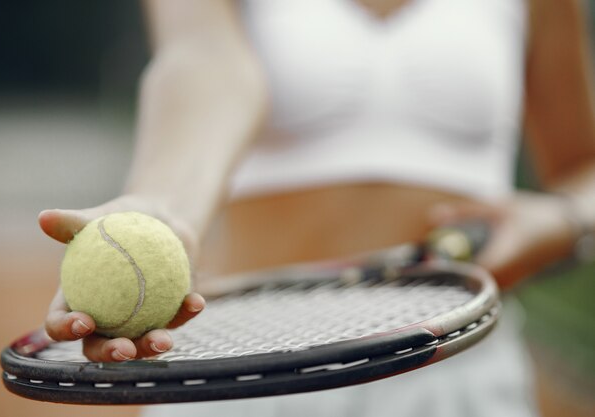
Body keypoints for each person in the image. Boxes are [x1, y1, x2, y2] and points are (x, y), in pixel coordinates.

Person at [39, 0, 595, 415]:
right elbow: (204, 65)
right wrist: (164, 202)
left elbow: (584, 169)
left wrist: (564, 218)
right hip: (244, 378)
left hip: (458, 375)